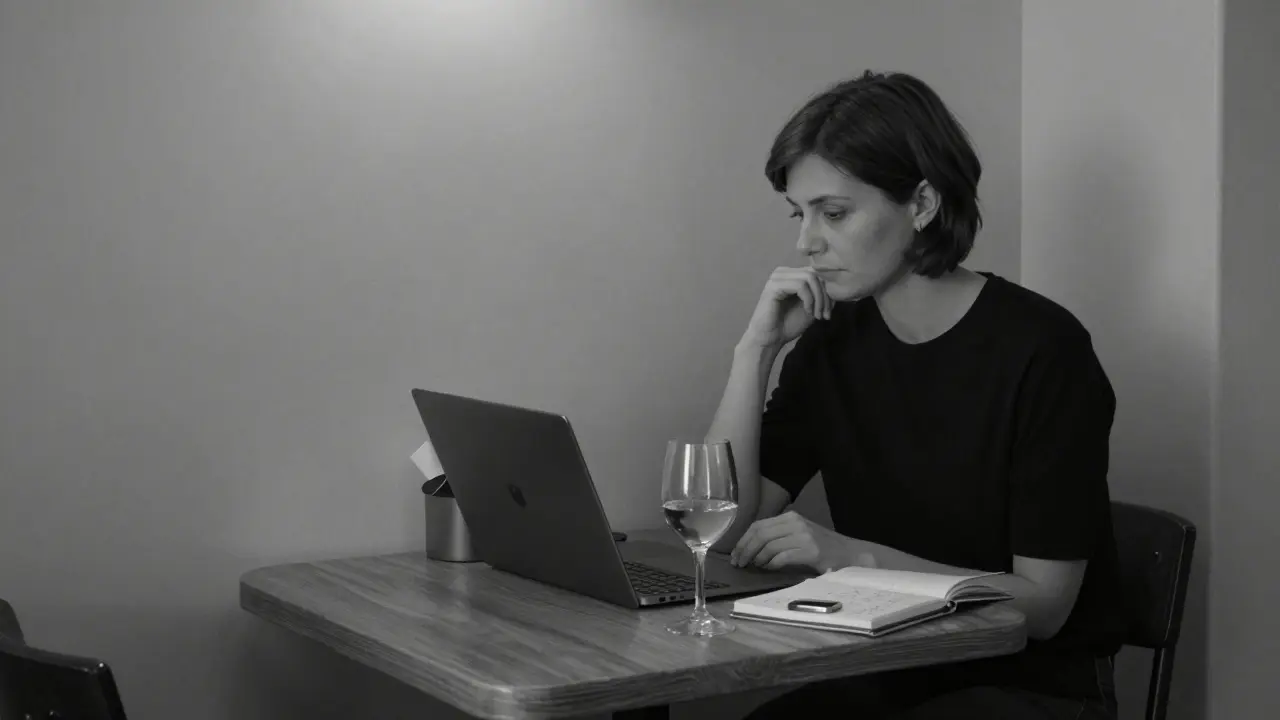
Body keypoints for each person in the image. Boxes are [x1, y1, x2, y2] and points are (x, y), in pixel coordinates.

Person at [705, 70, 1124, 720]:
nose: (805, 241)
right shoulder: (832, 340)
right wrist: (754, 352)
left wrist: (850, 558)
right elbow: (722, 526)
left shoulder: (1044, 349)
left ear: (922, 204)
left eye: (834, 212)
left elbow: (1043, 607)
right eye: (801, 212)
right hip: (888, 666)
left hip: (1026, 689)